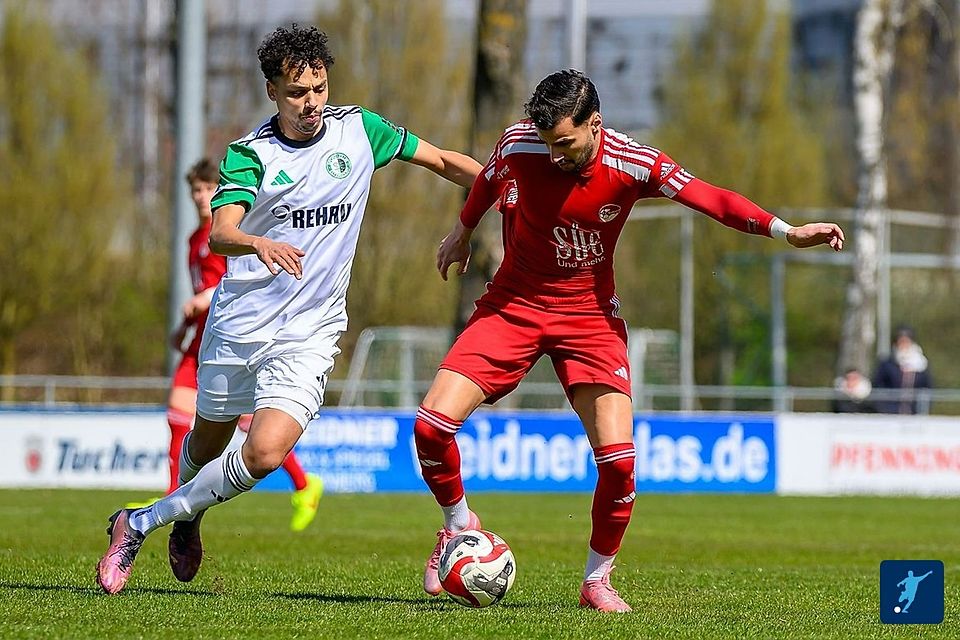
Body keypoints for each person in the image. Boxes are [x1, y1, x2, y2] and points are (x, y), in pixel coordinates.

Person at [414, 69, 845, 613]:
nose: (553, 156)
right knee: (431, 428)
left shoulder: (633, 162)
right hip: (514, 305)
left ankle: (597, 582)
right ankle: (458, 528)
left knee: (618, 462)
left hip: (589, 319)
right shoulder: (520, 142)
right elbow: (487, 182)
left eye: (565, 144)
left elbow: (711, 198)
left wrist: (786, 231)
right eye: (547, 143)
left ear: (595, 124)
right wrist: (462, 230)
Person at [96, 24, 482, 595]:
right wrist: (259, 243)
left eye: (320, 88)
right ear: (273, 91)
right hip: (240, 324)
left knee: (267, 450)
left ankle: (142, 521)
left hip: (311, 331)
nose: (313, 103)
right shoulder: (251, 156)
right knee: (204, 445)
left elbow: (445, 161)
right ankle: (190, 515)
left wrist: (510, 188)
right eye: (298, 92)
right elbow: (221, 233)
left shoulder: (360, 131)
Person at [125, 159, 324, 533]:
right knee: (178, 417)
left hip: (230, 336)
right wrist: (184, 326)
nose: (202, 198)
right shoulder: (193, 241)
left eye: (208, 190)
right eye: (196, 191)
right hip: (198, 339)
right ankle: (173, 496)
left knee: (251, 427)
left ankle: (303, 484)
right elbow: (200, 294)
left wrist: (203, 301)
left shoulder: (229, 234)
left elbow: (242, 282)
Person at [873, 325, 932, 414]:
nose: (904, 345)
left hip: (914, 412)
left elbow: (927, 386)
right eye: (901, 342)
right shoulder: (888, 364)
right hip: (891, 412)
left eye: (906, 342)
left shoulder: (922, 365)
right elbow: (879, 385)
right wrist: (884, 407)